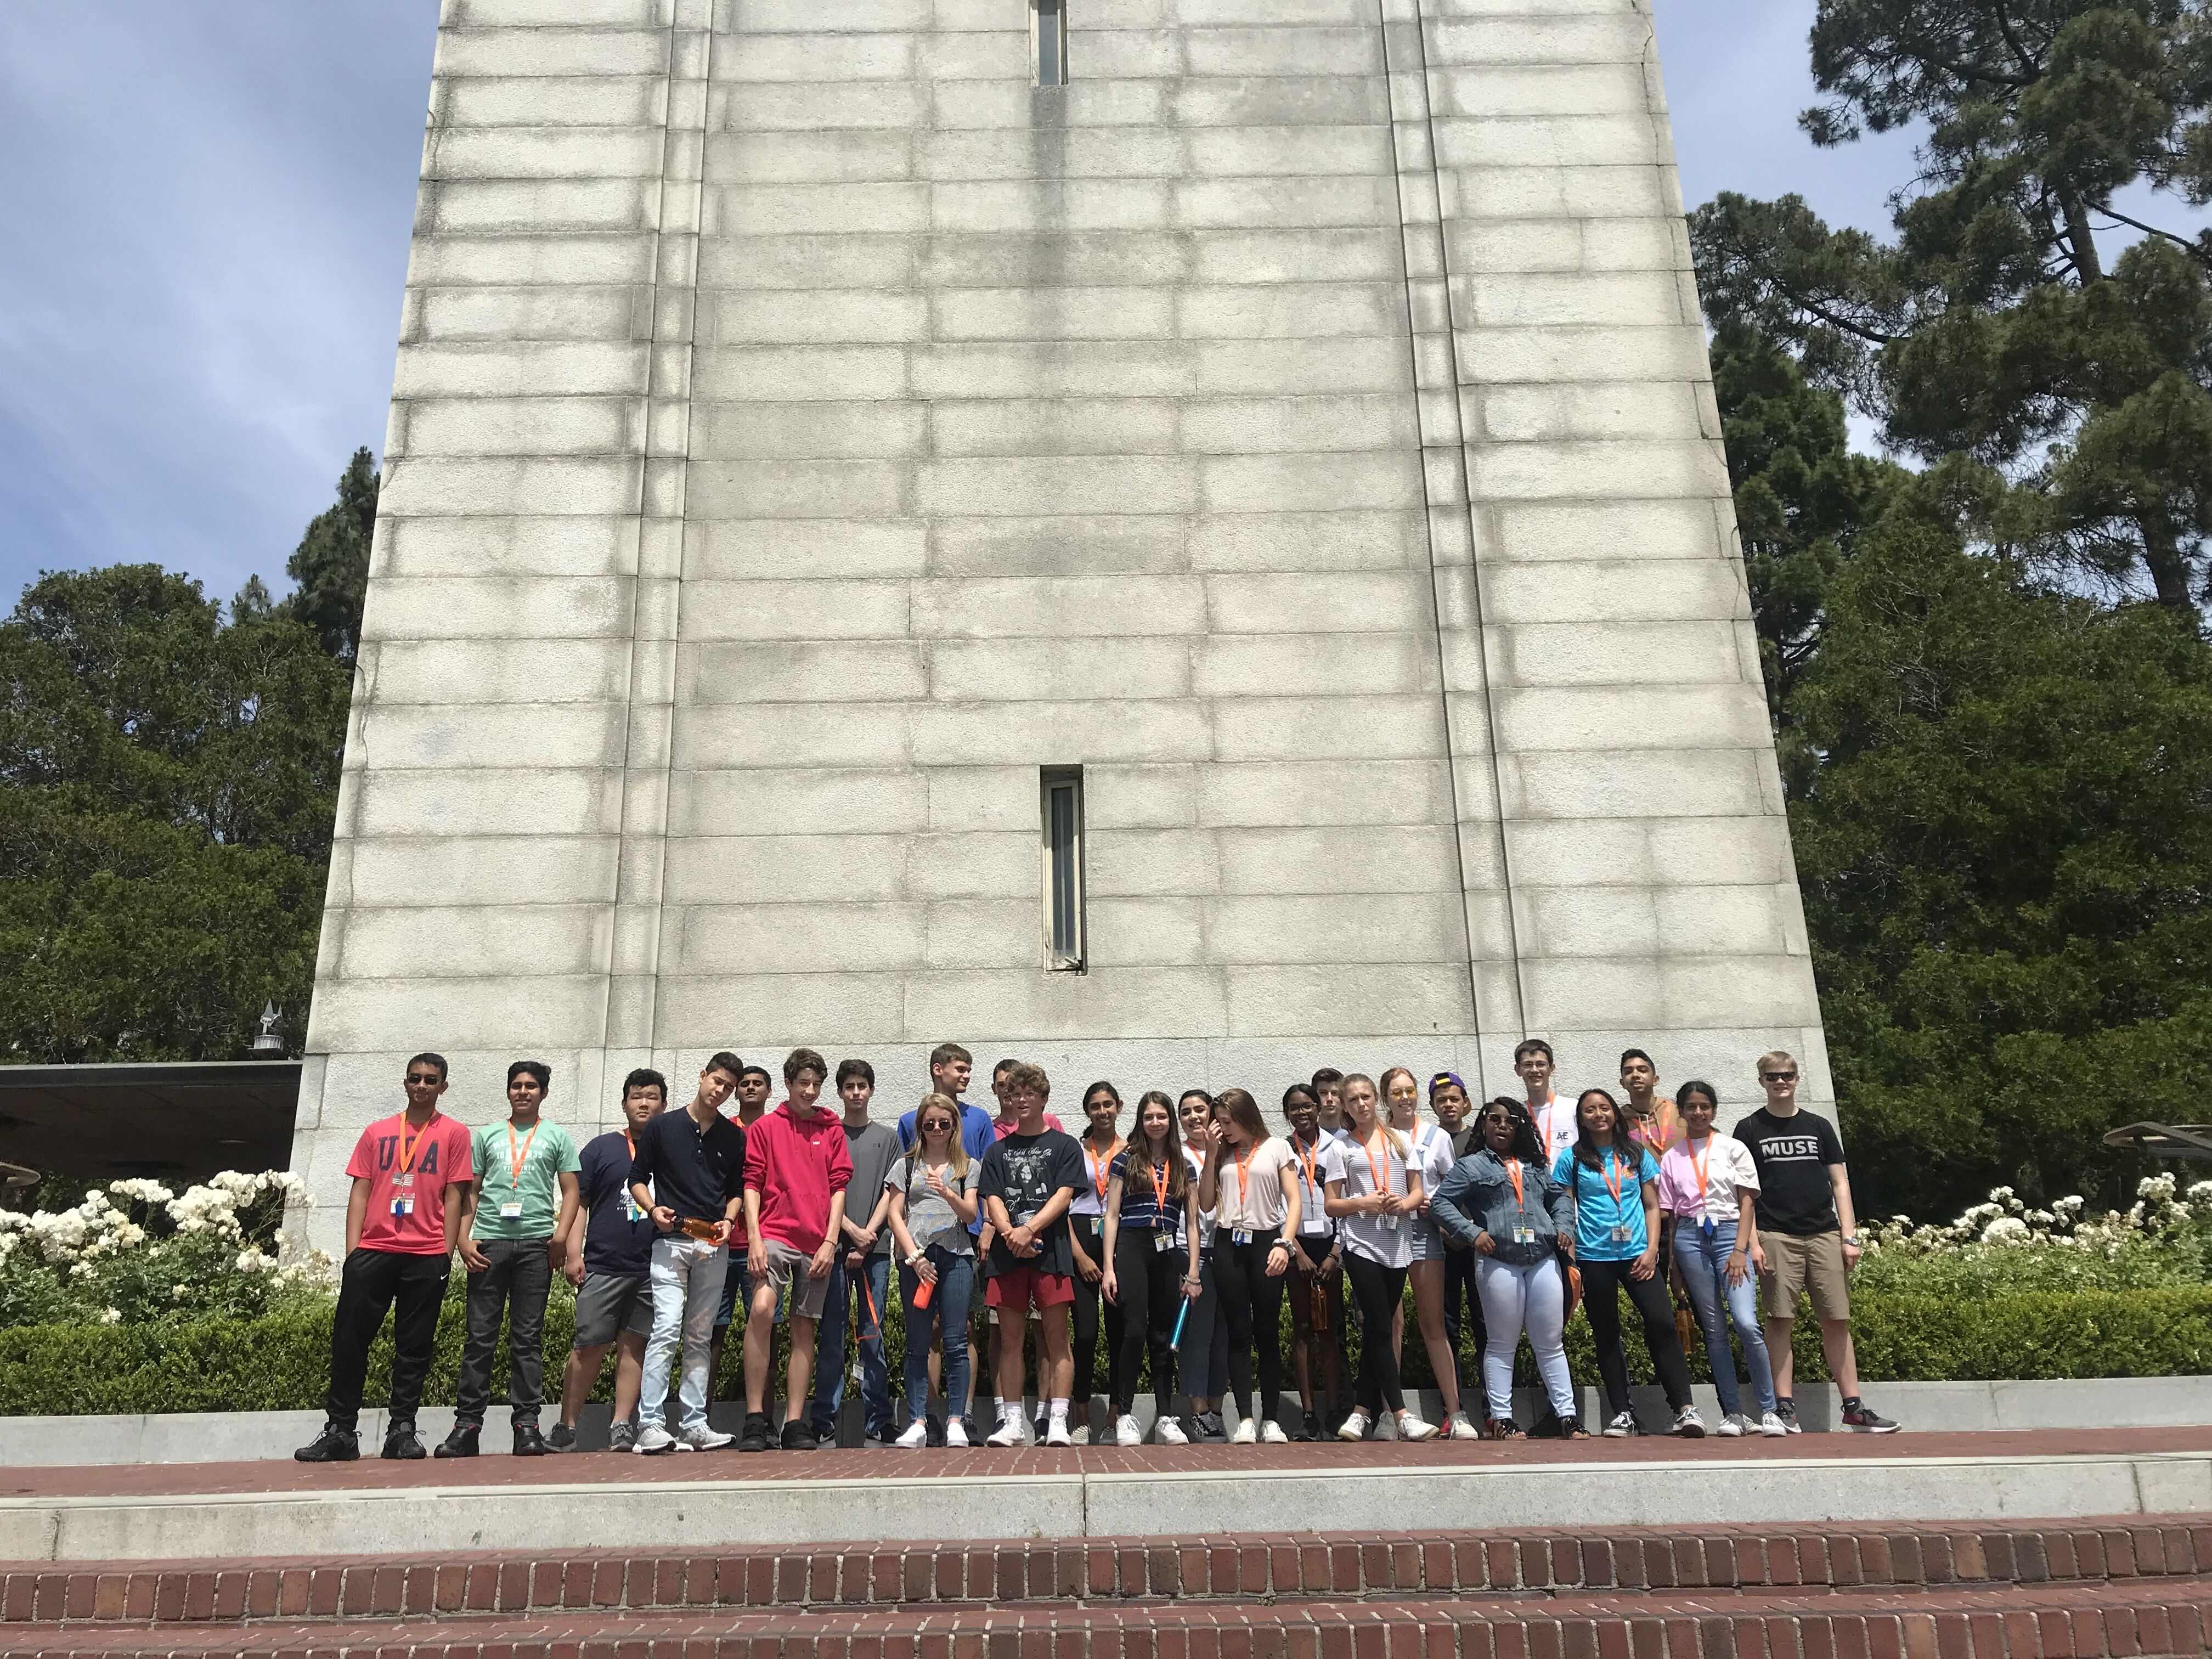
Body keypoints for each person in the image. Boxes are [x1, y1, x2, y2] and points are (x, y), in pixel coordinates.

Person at [295, 1053, 473, 1462]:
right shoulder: (377, 1132)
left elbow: (455, 1196)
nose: (422, 1086)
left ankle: (402, 1430)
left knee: (414, 1348)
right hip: (374, 1251)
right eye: (415, 1078)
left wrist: (444, 1254)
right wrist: (353, 1252)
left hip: (425, 1254)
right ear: (406, 1083)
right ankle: (340, 1431)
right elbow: (360, 1190)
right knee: (349, 1343)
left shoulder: (454, 1134)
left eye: (431, 1080)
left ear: (443, 1087)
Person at [1735, 1052, 1900, 1433]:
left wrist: (1850, 1236)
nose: (1781, 1082)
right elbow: (1746, 1191)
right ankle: (1785, 1407)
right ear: (1761, 1081)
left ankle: (1854, 1407)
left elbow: (1840, 1184)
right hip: (1776, 1235)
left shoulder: (1818, 1126)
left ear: (1797, 1079)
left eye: (1788, 1075)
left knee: (1837, 1320)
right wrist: (1755, 1242)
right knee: (1780, 1321)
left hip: (1825, 1233)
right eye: (1773, 1076)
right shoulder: (1748, 1129)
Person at [439, 1060, 582, 1458]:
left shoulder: (556, 1136)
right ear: (508, 1091)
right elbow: (471, 1192)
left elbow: (571, 1191)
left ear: (543, 1093)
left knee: (527, 1341)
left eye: (531, 1086)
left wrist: (560, 1236)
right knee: (479, 1339)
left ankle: (527, 1427)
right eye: (516, 1086)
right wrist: (465, 1239)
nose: (523, 1092)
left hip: (536, 1246)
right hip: (491, 1246)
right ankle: (467, 1426)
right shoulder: (486, 1136)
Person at [1430, 1098, 1585, 1439]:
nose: (1503, 1126)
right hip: (1499, 1260)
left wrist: (1564, 1225)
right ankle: (1502, 1418)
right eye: (1495, 1120)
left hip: (1543, 1258)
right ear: (1484, 1124)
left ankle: (1568, 1415)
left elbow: (1559, 1198)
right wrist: (1473, 1233)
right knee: (1502, 1343)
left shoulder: (1535, 1165)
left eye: (1511, 1121)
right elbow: (1440, 1203)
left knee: (1551, 1342)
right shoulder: (1470, 1166)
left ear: (1520, 1127)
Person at [1555, 1088, 1704, 1438]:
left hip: (1639, 1256)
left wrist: (1653, 1251)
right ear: (1582, 1118)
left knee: (1662, 1324)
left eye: (1604, 1108)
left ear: (1614, 1114)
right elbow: (1565, 1209)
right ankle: (1622, 1412)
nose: (1598, 1115)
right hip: (1595, 1258)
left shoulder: (1636, 1153)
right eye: (1590, 1110)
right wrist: (1573, 1257)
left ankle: (1684, 1408)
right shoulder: (1571, 1159)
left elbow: (1654, 1206)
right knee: (1607, 1334)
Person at [627, 1053, 748, 1453]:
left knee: (699, 1335)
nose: (720, 1091)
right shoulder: (663, 1125)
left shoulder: (734, 1136)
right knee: (665, 1329)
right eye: (716, 1081)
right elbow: (637, 1179)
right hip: (670, 1242)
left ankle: (694, 1423)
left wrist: (730, 1221)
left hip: (713, 1244)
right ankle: (650, 1425)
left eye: (728, 1088)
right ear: (701, 1076)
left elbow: (735, 1191)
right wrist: (652, 1209)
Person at [739, 1048, 853, 1452]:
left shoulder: (831, 1127)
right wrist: (754, 1237)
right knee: (762, 1308)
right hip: (774, 1234)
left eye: (817, 1085)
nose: (810, 1091)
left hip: (817, 1241)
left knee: (805, 1325)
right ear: (787, 1084)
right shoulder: (766, 1128)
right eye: (803, 1083)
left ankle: (793, 1422)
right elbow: (751, 1182)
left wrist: (830, 1240)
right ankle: (755, 1417)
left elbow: (839, 1185)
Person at [1658, 1080, 1784, 1437]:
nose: (1698, 1113)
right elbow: (1673, 1218)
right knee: (1713, 1330)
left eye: (1705, 1106)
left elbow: (1747, 1201)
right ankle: (1733, 1413)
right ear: (1680, 1112)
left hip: (1730, 1234)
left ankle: (1770, 1409)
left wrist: (1742, 1248)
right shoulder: (1671, 1156)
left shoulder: (1734, 1148)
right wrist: (1675, 1270)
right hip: (1690, 1239)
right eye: (1691, 1107)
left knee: (1746, 1323)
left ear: (1713, 1109)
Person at [550, 1068, 665, 1453]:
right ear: (624, 1104)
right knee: (588, 1345)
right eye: (636, 1096)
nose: (644, 1103)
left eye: (651, 1097)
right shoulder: (600, 1149)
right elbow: (578, 1204)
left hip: (652, 1267)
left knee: (635, 1346)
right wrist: (572, 1253)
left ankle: (621, 1425)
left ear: (663, 1104)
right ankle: (567, 1425)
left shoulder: (670, 1149)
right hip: (602, 1264)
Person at [1319, 1073, 1437, 1442]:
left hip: (1398, 1243)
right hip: (1361, 1245)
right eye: (1352, 1100)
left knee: (1377, 1329)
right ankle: (1401, 1414)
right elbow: (1331, 1204)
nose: (1360, 1105)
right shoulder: (1341, 1147)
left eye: (1366, 1097)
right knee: (1382, 1327)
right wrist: (1363, 1202)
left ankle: (1360, 1413)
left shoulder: (1401, 1141)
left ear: (1377, 1100)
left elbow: (1419, 1191)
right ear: (1345, 1106)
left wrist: (1403, 1203)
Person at [977, 1062, 1084, 1445]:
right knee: (1009, 1341)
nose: (1020, 1100)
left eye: (1029, 1094)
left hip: (1050, 1252)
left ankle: (1057, 1420)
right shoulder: (997, 1150)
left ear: (1043, 1099)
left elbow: (1065, 1195)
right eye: (1014, 1094)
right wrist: (1009, 1232)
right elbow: (992, 1197)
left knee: (1057, 1339)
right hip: (1007, 1254)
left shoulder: (1064, 1145)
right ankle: (1012, 1422)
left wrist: (1029, 1229)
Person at [896, 1043, 993, 1444]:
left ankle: (957, 1419)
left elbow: (974, 1209)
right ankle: (919, 1421)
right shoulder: (905, 1162)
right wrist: (914, 1256)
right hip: (917, 1259)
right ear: (920, 1127)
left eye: (944, 1124)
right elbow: (892, 1212)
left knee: (957, 1338)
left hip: (956, 1254)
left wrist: (951, 1195)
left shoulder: (969, 1164)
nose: (937, 1129)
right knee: (919, 1342)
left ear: (955, 1126)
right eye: (930, 1124)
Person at [1195, 1087, 1300, 1444]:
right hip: (1228, 1241)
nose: (1223, 1129)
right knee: (1237, 1334)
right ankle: (1244, 1418)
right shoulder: (1221, 1151)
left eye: (1227, 1122)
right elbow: (1207, 1205)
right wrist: (1211, 1155)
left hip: (1267, 1240)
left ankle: (1271, 1418)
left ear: (1245, 1117)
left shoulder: (1276, 1148)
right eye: (1219, 1123)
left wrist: (1285, 1244)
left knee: (1267, 1332)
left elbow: (1294, 1201)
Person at [1381, 1067, 1477, 1441]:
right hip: (1385, 1234)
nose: (1404, 1098)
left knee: (1433, 1324)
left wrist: (1433, 1205)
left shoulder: (1436, 1136)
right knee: (1390, 1324)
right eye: (1396, 1092)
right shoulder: (1378, 1136)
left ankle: (1455, 1413)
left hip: (1424, 1232)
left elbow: (1454, 1189)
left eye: (1409, 1091)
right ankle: (1391, 1414)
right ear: (1385, 1097)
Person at [1101, 1090, 1201, 1445]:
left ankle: (1165, 1416)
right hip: (1132, 1246)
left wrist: (1192, 1272)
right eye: (1149, 1117)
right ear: (1140, 1121)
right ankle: (1125, 1415)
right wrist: (1109, 1268)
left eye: (1161, 1117)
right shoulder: (1124, 1160)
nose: (1155, 1123)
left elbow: (1191, 1224)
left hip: (1168, 1251)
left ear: (1170, 1121)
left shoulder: (1184, 1164)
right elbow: (1111, 1215)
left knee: (1163, 1338)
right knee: (1133, 1332)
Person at [809, 1058, 899, 1447]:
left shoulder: (889, 1137)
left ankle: (878, 1419)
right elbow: (822, 1190)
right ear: (841, 1092)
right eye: (850, 1087)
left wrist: (870, 1234)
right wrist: (848, 1231)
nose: (856, 1093)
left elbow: (892, 1192)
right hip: (832, 1248)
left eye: (863, 1086)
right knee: (831, 1335)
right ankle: (823, 1419)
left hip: (874, 1252)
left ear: (872, 1090)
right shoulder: (828, 1134)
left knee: (871, 1334)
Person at [1280, 1083, 1346, 1440]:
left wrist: (1336, 1253)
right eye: (1295, 1107)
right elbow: (1279, 1205)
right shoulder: (1282, 1150)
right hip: (1298, 1249)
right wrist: (1297, 1253)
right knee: (1303, 1330)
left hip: (1330, 1248)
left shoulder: (1338, 1147)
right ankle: (1308, 1414)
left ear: (1318, 1108)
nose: (1302, 1112)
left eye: (1307, 1105)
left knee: (1329, 1331)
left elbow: (1348, 1202)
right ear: (1287, 1113)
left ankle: (1335, 1410)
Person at [708, 1066, 774, 1401]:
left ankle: (763, 1420)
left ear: (770, 1091)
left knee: (766, 1329)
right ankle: (698, 1416)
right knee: (710, 1332)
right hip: (718, 1243)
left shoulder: (776, 1130)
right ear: (736, 1092)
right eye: (744, 1084)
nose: (750, 1088)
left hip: (760, 1247)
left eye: (757, 1084)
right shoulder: (722, 1130)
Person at [1067, 1081, 1127, 1442]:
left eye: (1108, 1105)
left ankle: (1116, 1416)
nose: (1102, 1111)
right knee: (1086, 1334)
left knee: (1121, 1333)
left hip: (1121, 1243)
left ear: (1119, 1107)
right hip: (1081, 1238)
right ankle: (1082, 1414)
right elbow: (1062, 1206)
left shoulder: (1132, 1150)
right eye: (1095, 1106)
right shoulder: (1076, 1151)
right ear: (1088, 1111)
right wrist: (1079, 1255)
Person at [1175, 1088, 1231, 1439]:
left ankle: (1217, 1408)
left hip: (1228, 1248)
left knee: (1223, 1336)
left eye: (1200, 1109)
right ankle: (1198, 1412)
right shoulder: (1176, 1154)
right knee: (1197, 1335)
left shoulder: (1232, 1148)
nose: (1194, 1117)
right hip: (1188, 1250)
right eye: (1186, 1112)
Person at [1428, 1073, 1486, 1397]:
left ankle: (1494, 1406)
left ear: (1467, 1103)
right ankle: (1456, 1404)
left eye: (1454, 1099)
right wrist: (1444, 1226)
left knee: (1485, 1322)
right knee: (1447, 1325)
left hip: (1481, 1243)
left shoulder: (1480, 1142)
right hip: (1442, 1243)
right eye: (1441, 1100)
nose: (1448, 1105)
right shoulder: (1429, 1141)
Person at [1516, 1040, 1578, 1163]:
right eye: (1528, 1064)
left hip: (1567, 1182)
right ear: (1518, 1070)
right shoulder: (1517, 1113)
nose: (1534, 1070)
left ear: (1552, 1069)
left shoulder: (1573, 1108)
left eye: (1541, 1064)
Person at [1619, 1049, 1684, 1156]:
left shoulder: (1679, 1113)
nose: (1635, 1075)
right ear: (1623, 1083)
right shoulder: (1618, 1122)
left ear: (1656, 1080)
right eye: (1628, 1072)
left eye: (1643, 1070)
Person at [1311, 1069, 1346, 1137]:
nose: (1329, 1099)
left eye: (1335, 1093)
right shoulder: (1306, 1138)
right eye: (1323, 1093)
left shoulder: (1355, 1137)